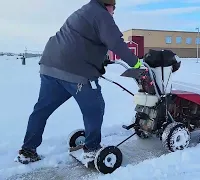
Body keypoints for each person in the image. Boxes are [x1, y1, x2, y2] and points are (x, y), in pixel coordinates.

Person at [15, 0, 141, 164]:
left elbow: (81, 41)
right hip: (76, 73)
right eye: (113, 7)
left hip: (49, 67)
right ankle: (92, 149)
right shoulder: (101, 14)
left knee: (42, 110)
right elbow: (116, 43)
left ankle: (27, 150)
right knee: (95, 108)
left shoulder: (83, 12)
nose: (114, 11)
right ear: (106, 4)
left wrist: (100, 60)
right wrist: (137, 63)